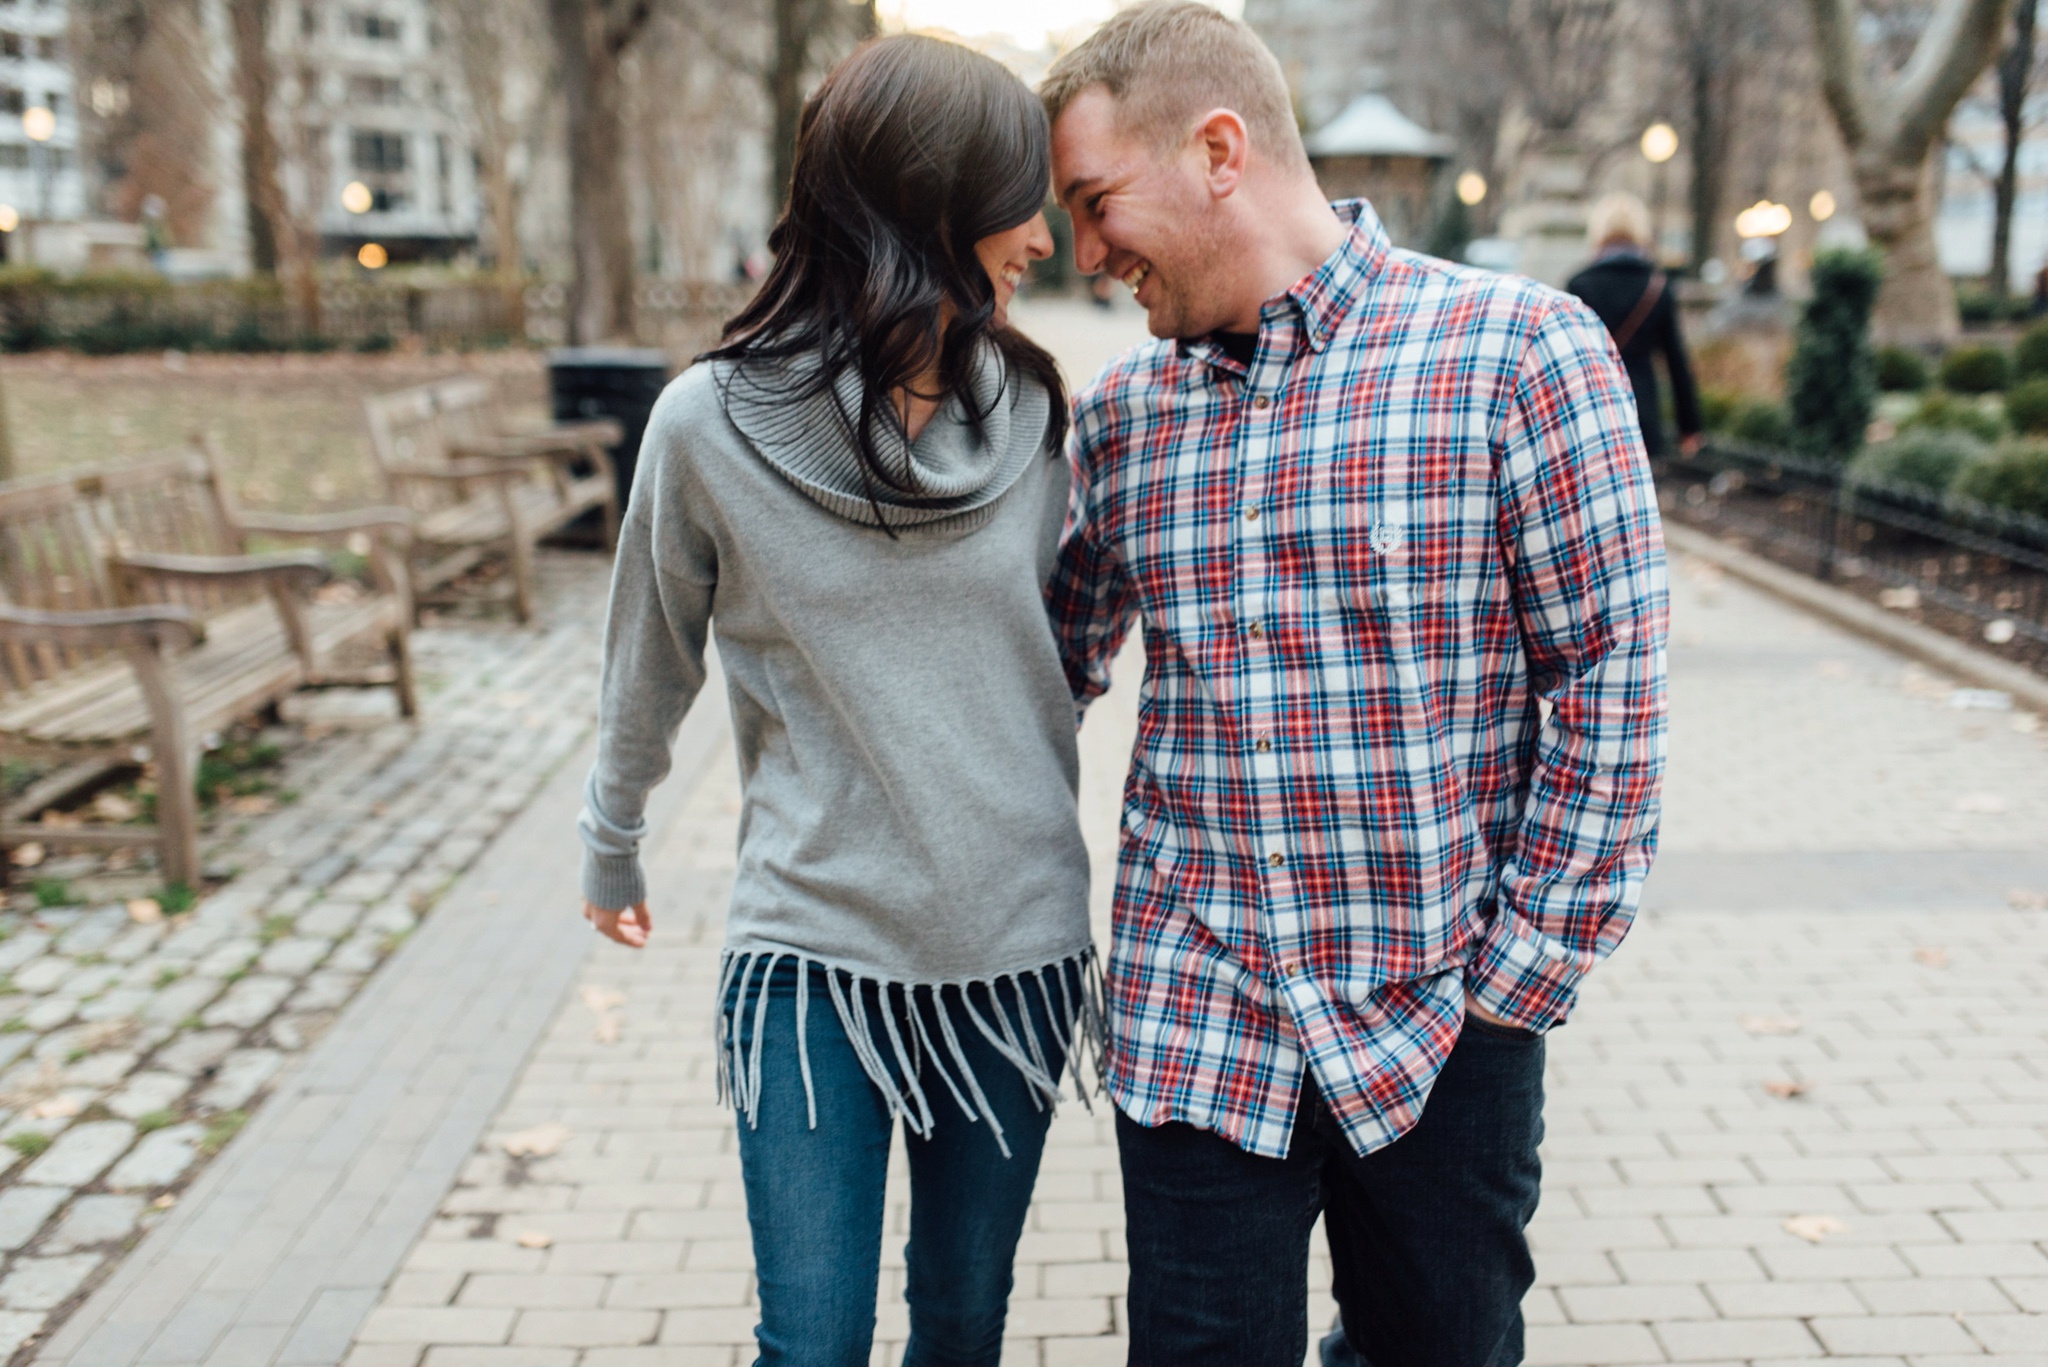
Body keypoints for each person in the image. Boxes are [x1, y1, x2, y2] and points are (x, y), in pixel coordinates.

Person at [1039, 5, 1669, 1365]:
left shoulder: (1523, 355)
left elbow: (1612, 680)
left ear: (1219, 150)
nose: (1087, 255)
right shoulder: (1124, 419)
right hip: (1197, 1019)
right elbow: (1033, 678)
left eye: (1096, 202)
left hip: (1445, 1016)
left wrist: (1524, 972)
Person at [577, 35, 1100, 1367]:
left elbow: (1074, 638)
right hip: (812, 946)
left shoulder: (1039, 418)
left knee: (963, 1328)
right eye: (1016, 196)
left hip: (1012, 949)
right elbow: (651, 647)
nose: (1042, 234)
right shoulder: (705, 426)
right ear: (921, 203)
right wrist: (613, 835)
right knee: (810, 1342)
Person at [1567, 192, 1704, 458]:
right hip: (1641, 409)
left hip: (1590, 408)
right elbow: (1676, 361)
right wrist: (1689, 427)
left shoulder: (1579, 285)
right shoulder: (1658, 286)